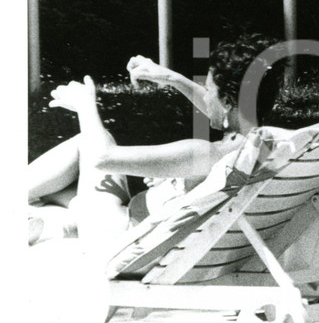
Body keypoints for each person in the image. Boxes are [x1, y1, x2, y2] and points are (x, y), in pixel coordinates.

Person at [28, 34, 282, 250]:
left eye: (210, 89)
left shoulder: (204, 153)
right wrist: (173, 78)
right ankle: (47, 224)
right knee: (61, 198)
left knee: (90, 141)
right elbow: (227, 115)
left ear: (227, 102)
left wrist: (85, 104)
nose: (205, 97)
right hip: (133, 228)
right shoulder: (263, 143)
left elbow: (103, 157)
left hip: (116, 234)